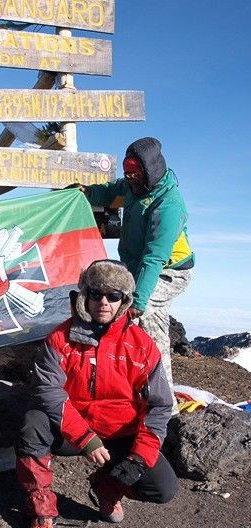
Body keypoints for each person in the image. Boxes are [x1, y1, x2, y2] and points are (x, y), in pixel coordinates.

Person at [15, 259, 177, 528]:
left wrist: (139, 457)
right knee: (34, 422)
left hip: (119, 433)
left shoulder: (142, 346)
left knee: (162, 488)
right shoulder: (60, 339)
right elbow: (47, 391)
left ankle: (107, 486)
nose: (104, 302)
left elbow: (159, 406)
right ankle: (41, 509)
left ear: (124, 301)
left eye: (113, 296)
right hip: (71, 431)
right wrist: (86, 438)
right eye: (96, 293)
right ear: (84, 296)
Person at [70, 137, 193, 402]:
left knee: (135, 317)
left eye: (136, 173)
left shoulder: (168, 204)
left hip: (170, 272)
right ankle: (144, 393)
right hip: (136, 267)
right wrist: (86, 192)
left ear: (151, 169)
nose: (131, 178)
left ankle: (155, 399)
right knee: (137, 323)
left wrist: (137, 300)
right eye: (128, 173)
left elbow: (155, 257)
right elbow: (110, 191)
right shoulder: (132, 186)